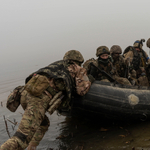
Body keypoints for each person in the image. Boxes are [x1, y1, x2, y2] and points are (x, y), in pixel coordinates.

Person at [0, 50, 91, 150]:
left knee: (43, 124)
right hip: (38, 101)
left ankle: (32, 148)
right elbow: (82, 90)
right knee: (21, 138)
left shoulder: (56, 64)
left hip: (24, 94)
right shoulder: (77, 68)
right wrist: (89, 80)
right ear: (79, 60)